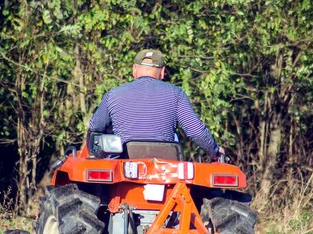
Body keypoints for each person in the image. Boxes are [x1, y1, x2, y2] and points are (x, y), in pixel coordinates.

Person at [89, 49, 223, 159]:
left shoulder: (113, 95)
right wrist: (215, 151)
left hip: (124, 165)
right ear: (163, 72)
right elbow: (196, 131)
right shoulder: (176, 94)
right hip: (167, 169)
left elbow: (95, 126)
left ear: (134, 69)